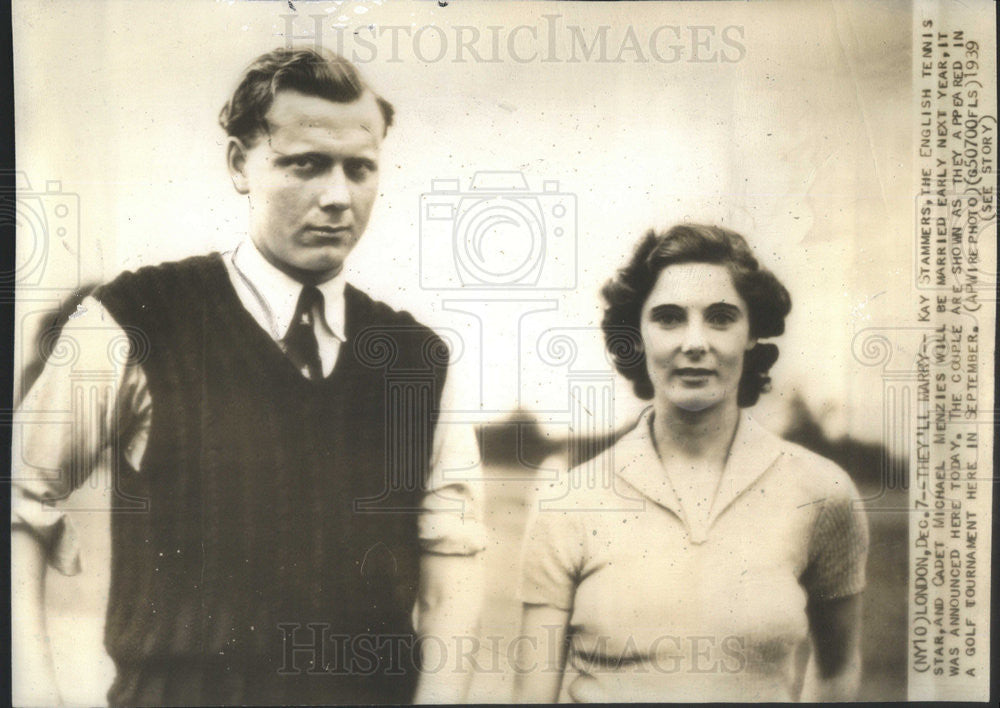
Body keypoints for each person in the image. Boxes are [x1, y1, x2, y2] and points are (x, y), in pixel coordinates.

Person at [12, 47, 485, 706]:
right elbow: (18, 495)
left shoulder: (419, 363)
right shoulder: (135, 318)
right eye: (306, 164)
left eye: (360, 169)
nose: (337, 197)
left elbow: (450, 575)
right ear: (239, 164)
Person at [513, 224, 869, 702]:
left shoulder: (823, 492)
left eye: (721, 318)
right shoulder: (569, 502)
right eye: (669, 318)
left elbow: (837, 670)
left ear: (751, 334)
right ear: (636, 336)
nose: (695, 342)